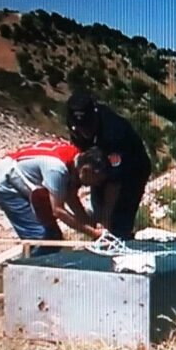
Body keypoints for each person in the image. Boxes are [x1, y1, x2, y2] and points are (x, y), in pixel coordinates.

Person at [0, 139, 107, 256]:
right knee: (42, 238)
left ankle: (33, 260)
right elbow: (58, 211)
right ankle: (30, 269)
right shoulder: (57, 170)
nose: (95, 184)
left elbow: (71, 198)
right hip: (6, 181)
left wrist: (91, 224)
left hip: (26, 178)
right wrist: (94, 233)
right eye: (96, 179)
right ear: (86, 171)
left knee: (54, 237)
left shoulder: (75, 161)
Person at [66, 91, 152, 240]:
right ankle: (104, 243)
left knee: (117, 221)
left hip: (131, 171)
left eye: (88, 126)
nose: (84, 132)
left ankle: (121, 245)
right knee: (98, 214)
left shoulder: (114, 132)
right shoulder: (75, 125)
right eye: (80, 128)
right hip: (99, 165)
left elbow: (115, 183)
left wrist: (106, 219)